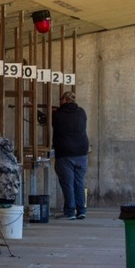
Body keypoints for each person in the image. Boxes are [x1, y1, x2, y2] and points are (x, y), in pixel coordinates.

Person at [52, 91, 89, 220]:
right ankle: (81, 211)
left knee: (68, 183)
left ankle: (70, 212)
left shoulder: (57, 115)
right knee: (79, 182)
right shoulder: (82, 112)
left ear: (63, 100)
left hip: (65, 153)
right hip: (82, 152)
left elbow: (47, 121)